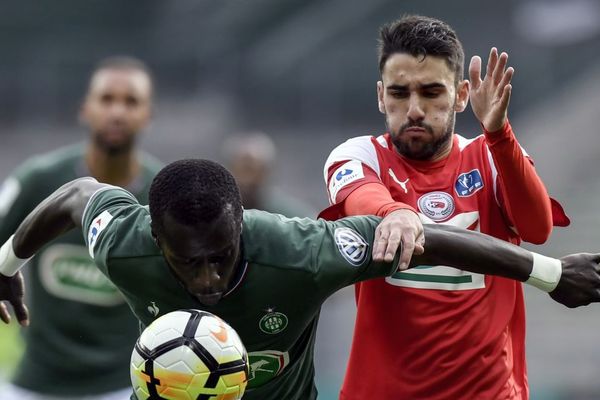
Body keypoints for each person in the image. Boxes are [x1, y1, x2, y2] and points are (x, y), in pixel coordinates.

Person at [1, 159, 599, 400]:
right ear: (158, 241)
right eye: (189, 262)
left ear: (243, 225)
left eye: (223, 254)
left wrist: (550, 273)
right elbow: (74, 197)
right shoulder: (124, 244)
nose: (208, 278)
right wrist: (5, 266)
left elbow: (426, 239)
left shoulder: (301, 253)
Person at [320, 15, 572, 399]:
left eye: (431, 92)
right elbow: (361, 197)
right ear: (380, 95)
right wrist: (396, 214)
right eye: (399, 93)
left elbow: (537, 229)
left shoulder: (490, 156)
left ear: (460, 94)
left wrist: (500, 135)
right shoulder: (359, 155)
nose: (415, 109)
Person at [0, 56, 162, 399]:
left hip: (125, 385)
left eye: (131, 101)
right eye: (106, 99)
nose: (117, 112)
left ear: (148, 115)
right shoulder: (38, 180)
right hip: (35, 382)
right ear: (85, 109)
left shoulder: (162, 194)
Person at [222, 131, 315, 217]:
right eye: (241, 169)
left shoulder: (290, 215)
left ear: (266, 172)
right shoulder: (218, 212)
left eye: (252, 170)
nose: (247, 179)